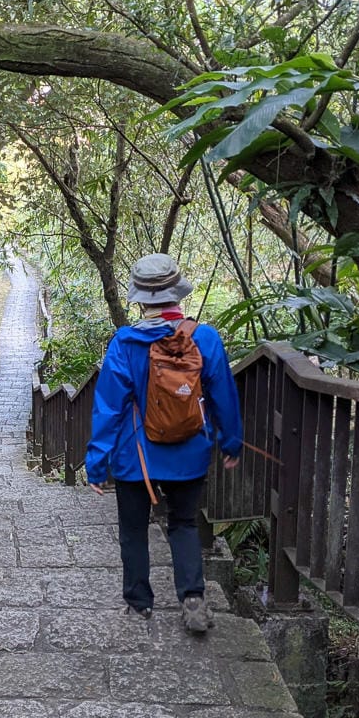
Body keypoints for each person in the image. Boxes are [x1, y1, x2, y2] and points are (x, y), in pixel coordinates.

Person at [85, 253, 242, 633]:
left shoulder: (125, 342)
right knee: (184, 523)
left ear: (140, 298)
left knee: (133, 528)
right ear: (178, 293)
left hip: (134, 456)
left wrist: (96, 463)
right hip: (189, 450)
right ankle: (192, 598)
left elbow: (108, 407)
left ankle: (139, 604)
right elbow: (223, 395)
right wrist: (231, 443)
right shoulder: (204, 338)